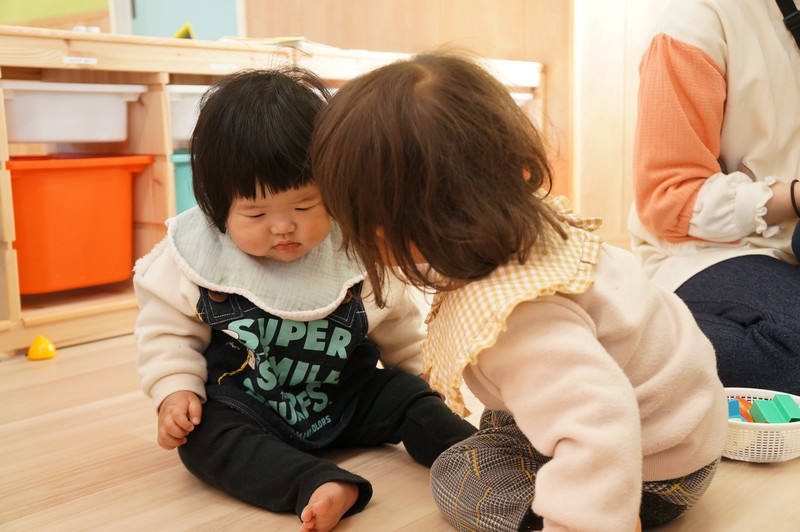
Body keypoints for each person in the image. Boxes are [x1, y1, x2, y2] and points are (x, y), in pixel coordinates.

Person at [310, 52, 728, 531]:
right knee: (500, 419)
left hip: (653, 466)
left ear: (385, 226)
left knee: (457, 475)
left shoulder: (518, 320)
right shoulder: (526, 225)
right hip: (676, 416)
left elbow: (600, 421)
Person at [133, 67, 477, 532]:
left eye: (304, 206)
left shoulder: (351, 244)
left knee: (410, 397)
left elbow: (397, 320)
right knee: (202, 438)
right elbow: (166, 334)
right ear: (217, 206)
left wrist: (423, 374)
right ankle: (314, 483)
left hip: (345, 395)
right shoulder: (198, 258)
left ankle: (478, 454)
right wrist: (175, 390)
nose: (282, 227)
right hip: (249, 406)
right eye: (255, 213)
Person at [628, 0, 800, 395]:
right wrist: (794, 197)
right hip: (707, 252)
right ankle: (616, 346)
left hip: (791, 248)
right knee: (793, 349)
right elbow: (669, 200)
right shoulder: (694, 23)